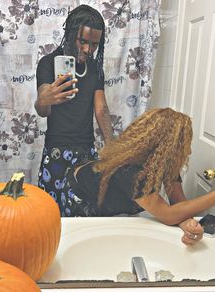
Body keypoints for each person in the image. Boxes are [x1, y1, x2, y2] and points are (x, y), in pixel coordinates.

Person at [60, 107, 209, 246]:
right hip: (79, 195)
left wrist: (186, 223)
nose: (188, 150)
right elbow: (168, 214)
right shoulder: (131, 172)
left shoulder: (164, 162)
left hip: (96, 186)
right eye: (183, 144)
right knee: (85, 243)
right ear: (168, 147)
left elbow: (177, 204)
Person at [35, 5, 113, 215]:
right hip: (56, 151)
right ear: (70, 34)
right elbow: (42, 108)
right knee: (51, 215)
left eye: (94, 44)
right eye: (83, 41)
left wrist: (113, 148)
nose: (88, 49)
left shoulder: (95, 68)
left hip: (85, 153)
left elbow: (101, 109)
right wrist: (46, 98)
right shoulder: (48, 63)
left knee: (84, 214)